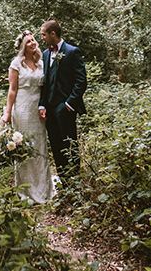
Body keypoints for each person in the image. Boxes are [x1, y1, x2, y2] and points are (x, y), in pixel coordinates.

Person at [1, 30, 55, 203]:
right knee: (25, 147)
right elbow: (12, 90)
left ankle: (43, 188)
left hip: (38, 109)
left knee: (39, 146)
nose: (33, 43)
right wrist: (7, 113)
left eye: (34, 40)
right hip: (23, 108)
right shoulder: (16, 63)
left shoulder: (41, 63)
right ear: (23, 46)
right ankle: (26, 190)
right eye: (29, 41)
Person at [39, 19, 87, 187]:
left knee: (70, 146)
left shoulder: (72, 52)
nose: (42, 38)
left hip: (65, 108)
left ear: (53, 34)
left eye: (44, 34)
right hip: (50, 110)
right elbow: (45, 83)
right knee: (57, 146)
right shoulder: (45, 54)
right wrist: (42, 104)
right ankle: (64, 183)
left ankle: (75, 183)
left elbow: (81, 81)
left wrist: (69, 103)